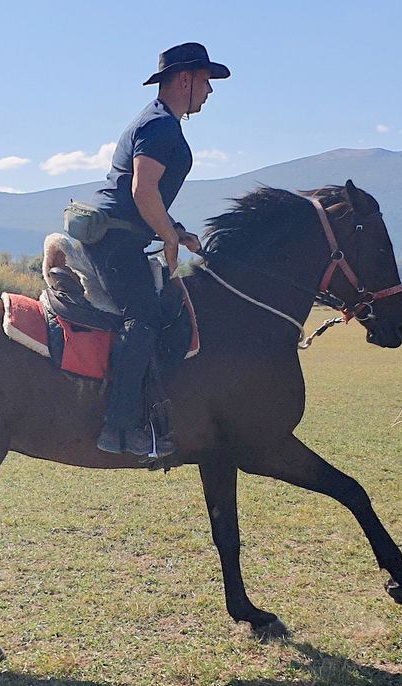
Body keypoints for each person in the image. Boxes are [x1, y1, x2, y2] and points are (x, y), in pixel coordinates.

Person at [89, 42, 229, 457]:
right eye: (205, 81)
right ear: (184, 79)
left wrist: (176, 230)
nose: (209, 91)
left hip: (125, 234)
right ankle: (117, 427)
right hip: (115, 241)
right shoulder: (159, 125)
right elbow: (142, 189)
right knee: (144, 316)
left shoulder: (162, 122)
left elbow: (146, 199)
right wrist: (168, 236)